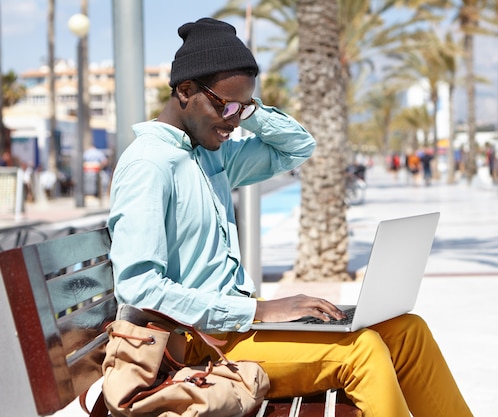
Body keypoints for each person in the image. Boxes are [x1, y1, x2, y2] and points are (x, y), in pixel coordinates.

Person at [107, 17, 473, 417]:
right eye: (224, 105)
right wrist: (260, 311)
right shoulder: (149, 164)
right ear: (185, 90)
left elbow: (298, 147)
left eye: (240, 109)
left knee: (407, 332)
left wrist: (249, 109)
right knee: (363, 351)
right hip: (198, 340)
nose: (232, 121)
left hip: (236, 326)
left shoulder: (211, 155)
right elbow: (138, 287)